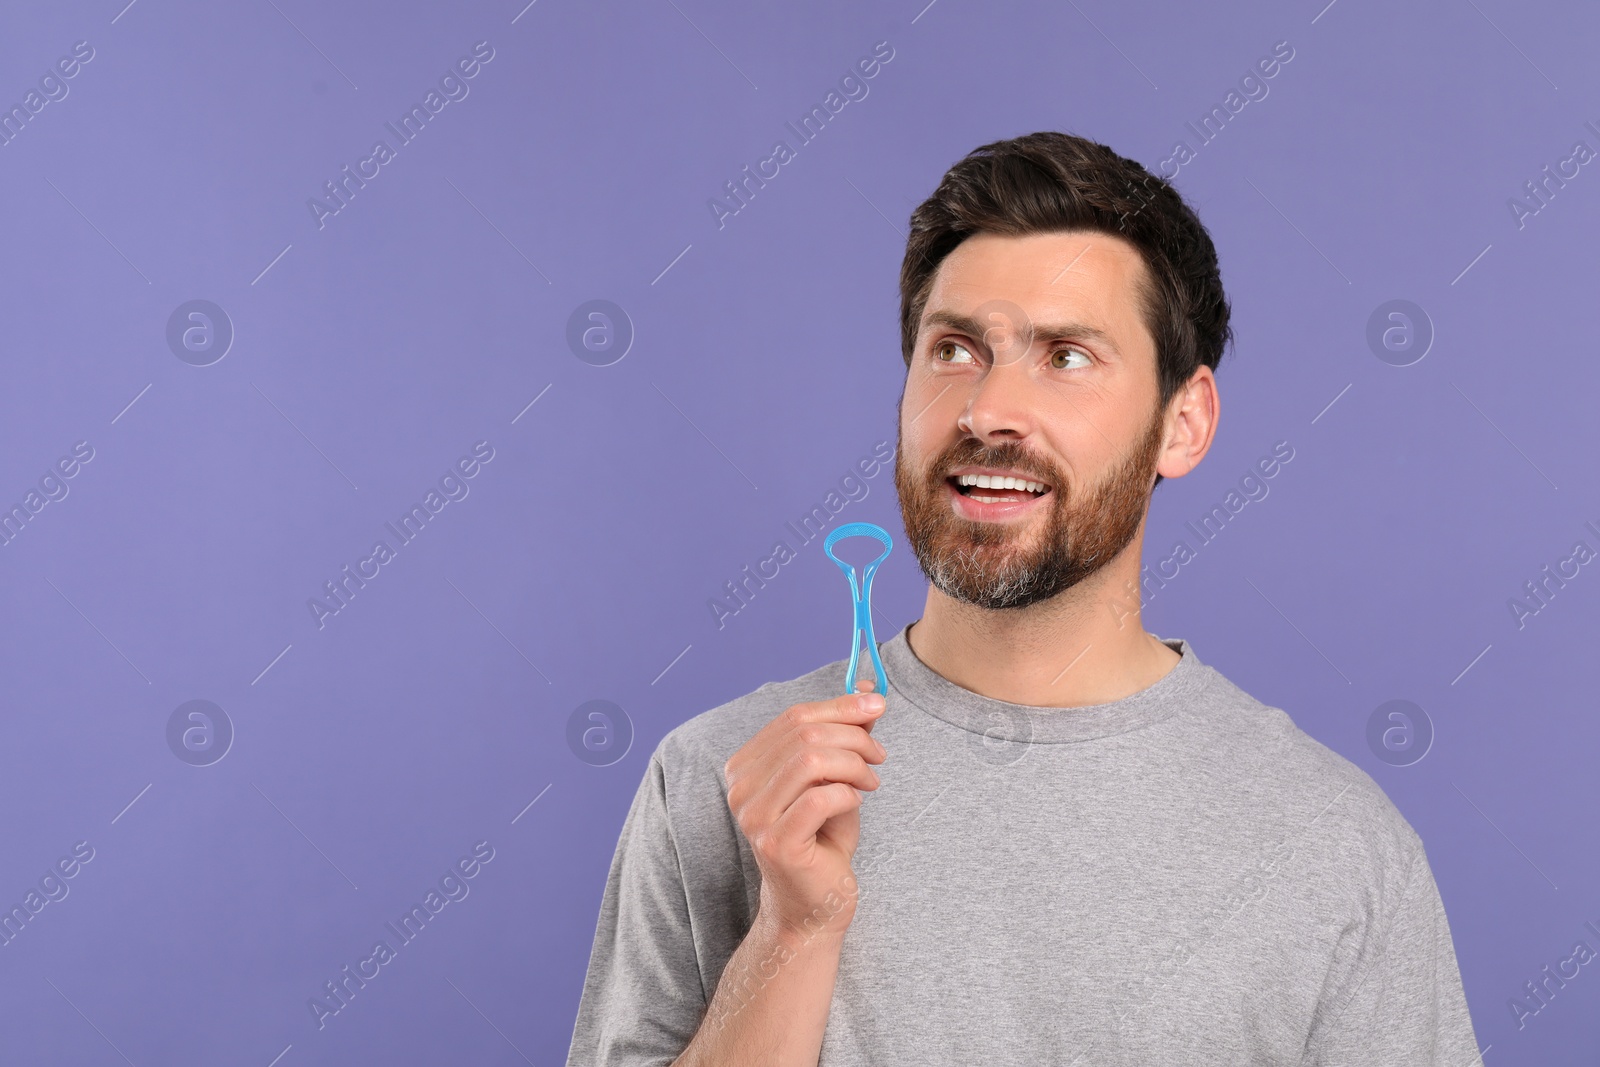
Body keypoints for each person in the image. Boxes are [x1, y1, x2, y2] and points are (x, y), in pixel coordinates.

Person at [564, 131, 1482, 1066]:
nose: (988, 410)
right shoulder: (719, 780)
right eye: (955, 349)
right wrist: (792, 934)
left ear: (1184, 422)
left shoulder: (1336, 845)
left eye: (1067, 357)